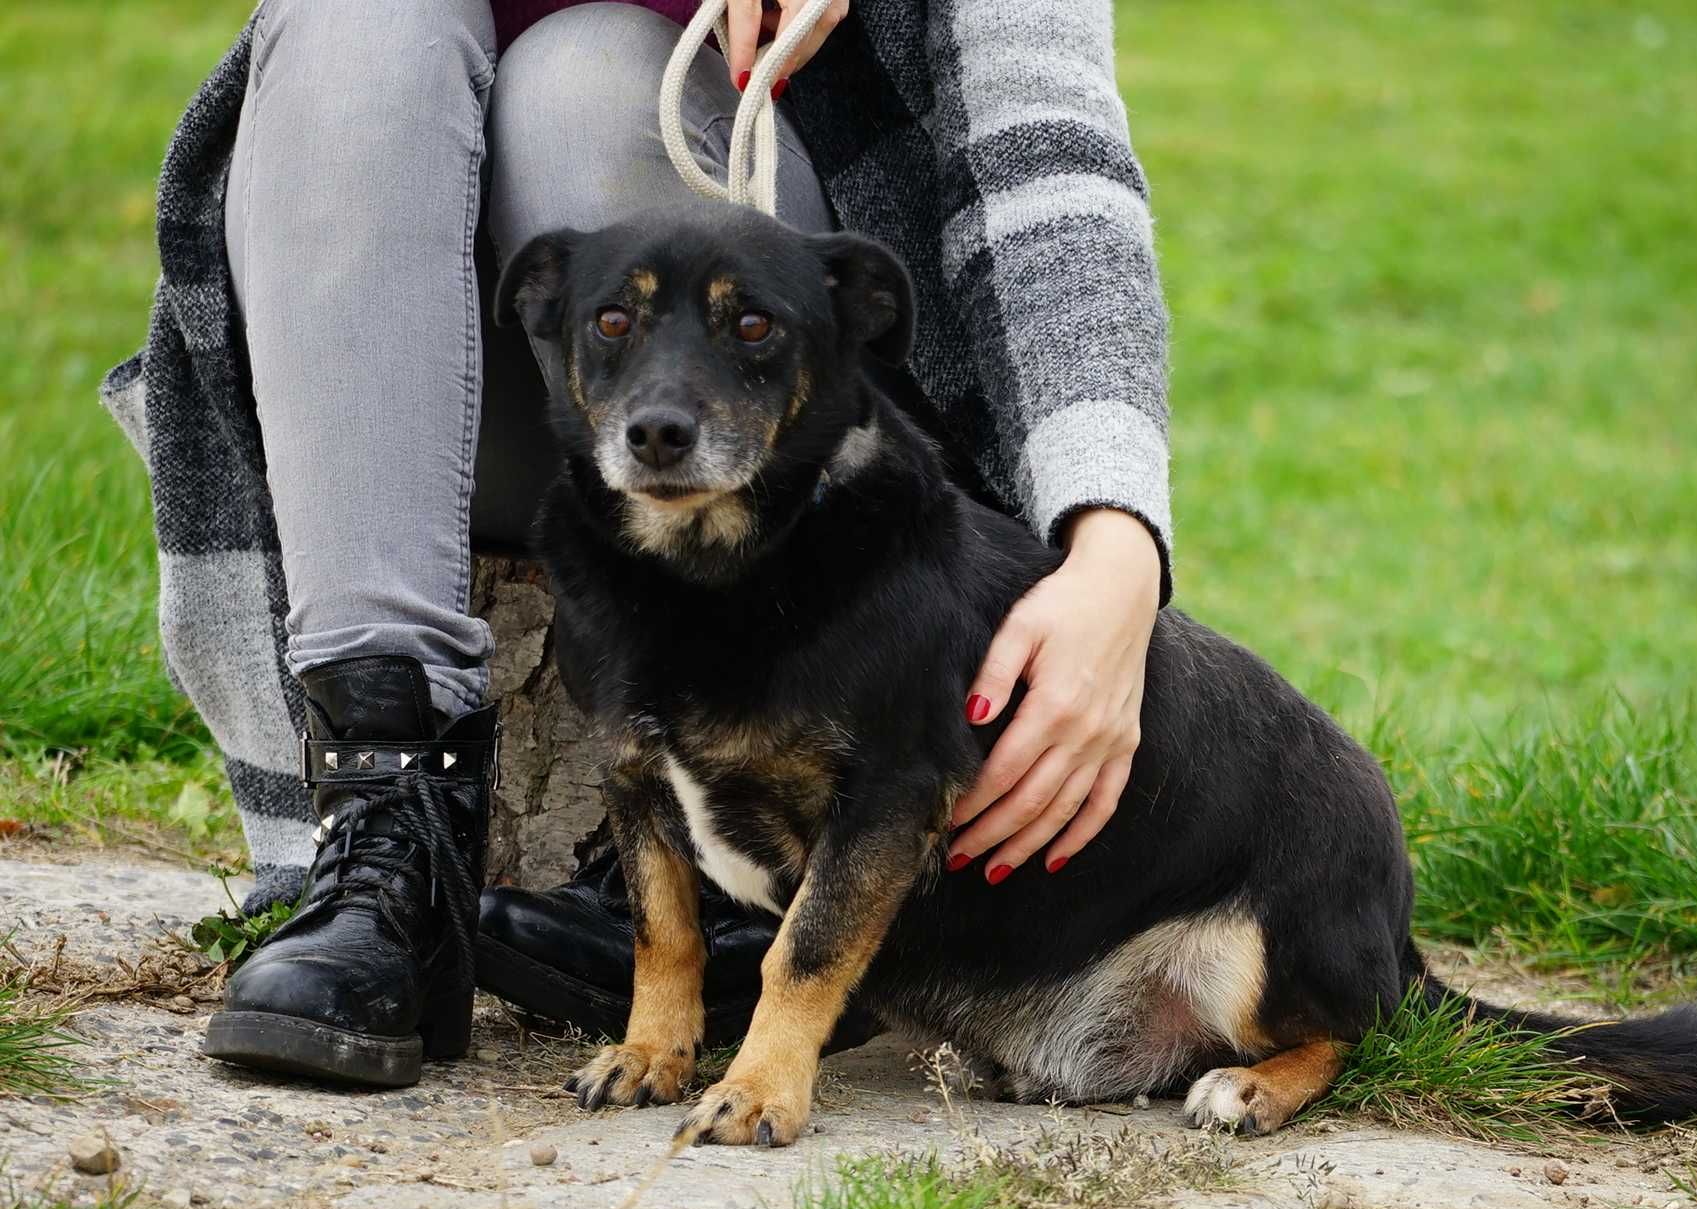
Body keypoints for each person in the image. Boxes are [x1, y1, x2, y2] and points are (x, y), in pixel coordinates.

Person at [106, 0, 1172, 1086]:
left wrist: (1114, 539)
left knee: (589, 74)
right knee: (355, 22)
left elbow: (1051, 154)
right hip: (414, 383)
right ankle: (387, 827)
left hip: (789, 416)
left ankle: (724, 877)